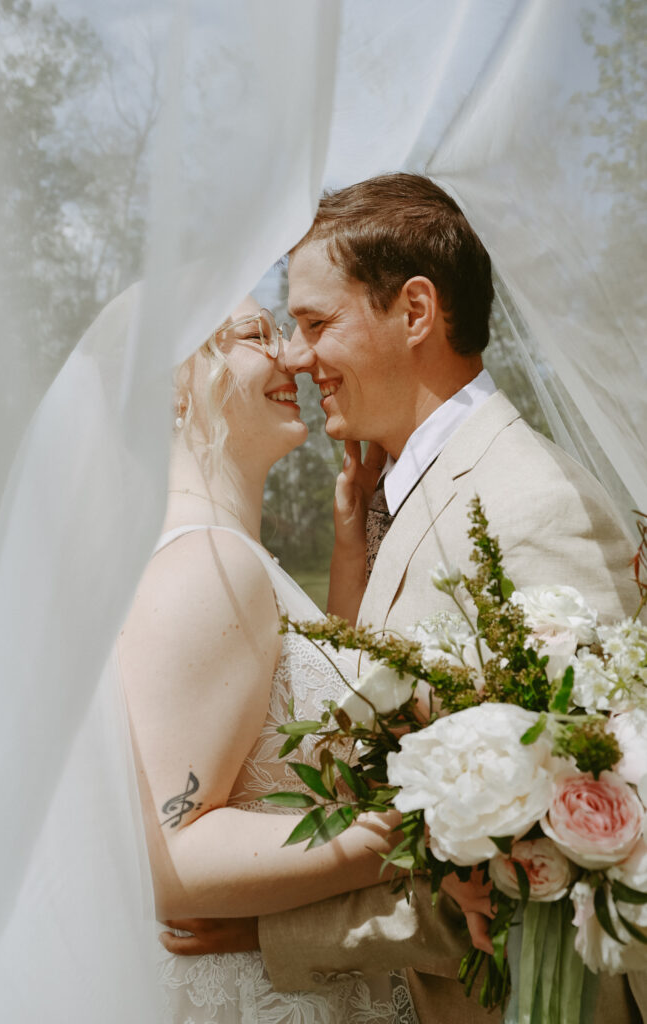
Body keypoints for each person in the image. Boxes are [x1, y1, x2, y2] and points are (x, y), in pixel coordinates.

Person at [163, 174, 645, 1022]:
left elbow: (567, 870)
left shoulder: (533, 508)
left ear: (415, 312)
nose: (298, 356)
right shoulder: (398, 497)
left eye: (315, 323)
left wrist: (277, 935)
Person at [118, 294, 421, 1023]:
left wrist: (348, 555)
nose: (295, 355)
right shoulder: (206, 566)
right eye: (257, 336)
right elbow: (173, 857)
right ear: (173, 384)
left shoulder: (230, 560)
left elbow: (284, 743)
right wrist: (408, 832)